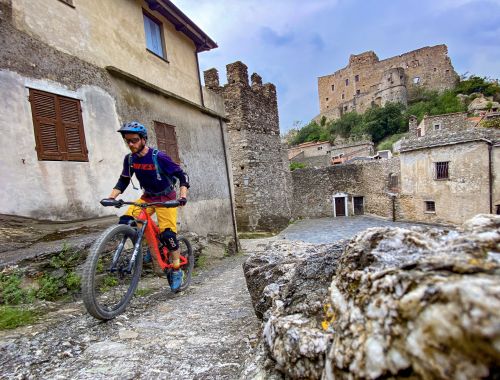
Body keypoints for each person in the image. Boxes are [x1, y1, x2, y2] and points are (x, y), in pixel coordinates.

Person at [107, 121, 190, 292]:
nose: (131, 144)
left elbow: (182, 175)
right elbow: (123, 180)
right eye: (127, 141)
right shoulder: (129, 159)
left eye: (134, 140)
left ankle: (176, 269)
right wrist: (112, 197)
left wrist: (182, 196)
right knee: (126, 220)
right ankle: (152, 244)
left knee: (168, 235)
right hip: (148, 197)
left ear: (144, 139)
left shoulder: (159, 157)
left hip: (166, 198)